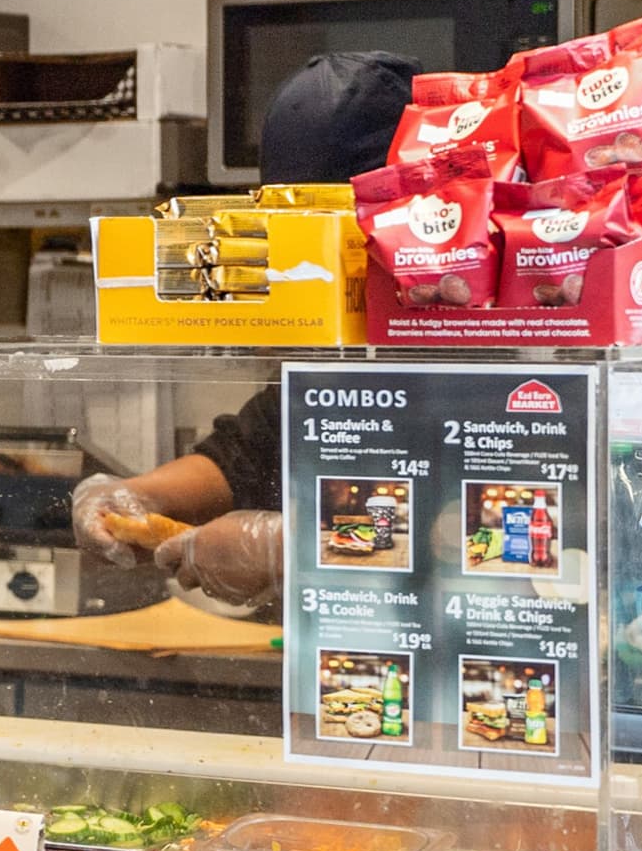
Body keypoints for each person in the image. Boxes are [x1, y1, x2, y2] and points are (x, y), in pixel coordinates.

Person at [72, 51, 417, 612]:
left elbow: (479, 525)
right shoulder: (332, 351)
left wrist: (290, 548)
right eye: (293, 222)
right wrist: (129, 495)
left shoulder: (488, 333)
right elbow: (246, 453)